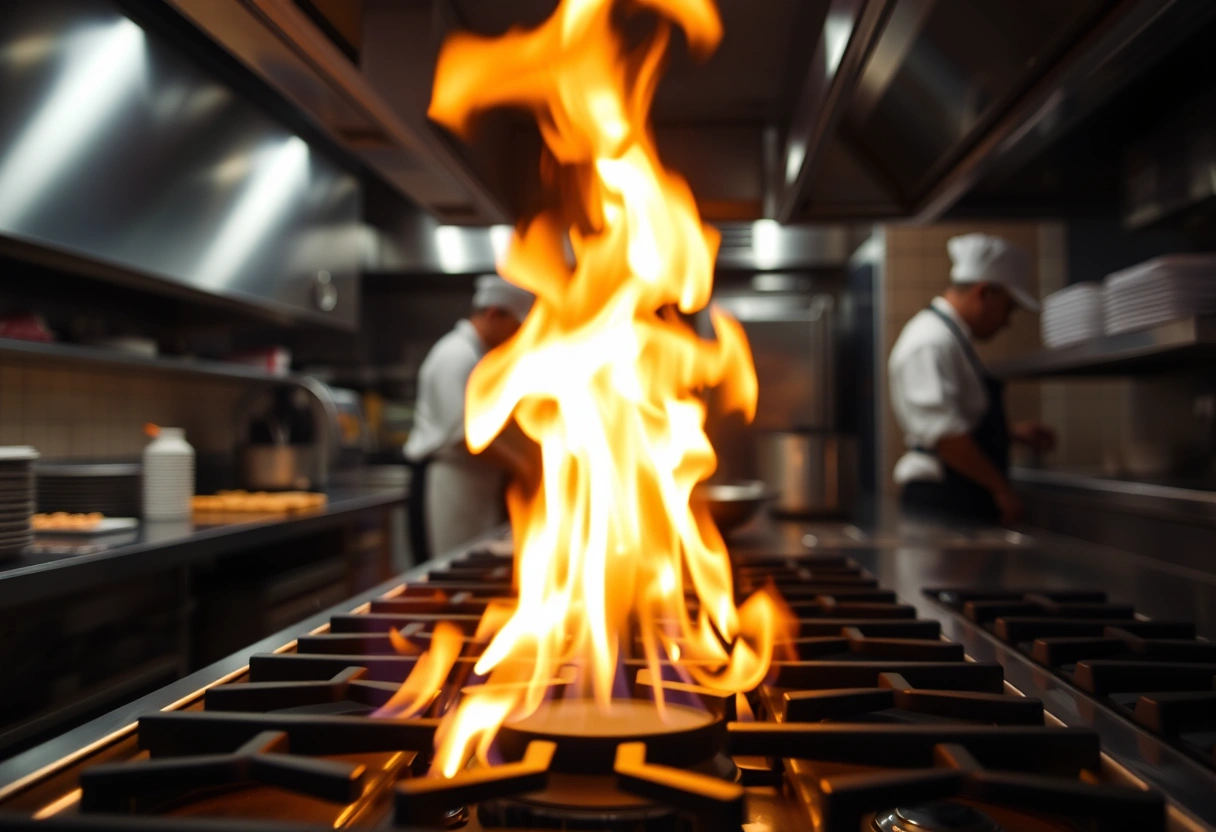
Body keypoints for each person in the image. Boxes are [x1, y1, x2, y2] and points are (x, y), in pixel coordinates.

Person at [889, 233, 1056, 525]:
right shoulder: (932, 341)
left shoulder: (950, 339)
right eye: (1008, 308)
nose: (1007, 322)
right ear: (984, 292)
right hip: (943, 499)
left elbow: (954, 419)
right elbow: (948, 438)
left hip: (955, 495)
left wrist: (1012, 433)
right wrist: (1002, 490)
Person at [405, 275, 537, 557]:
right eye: (515, 328)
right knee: (448, 574)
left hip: (472, 486)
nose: (516, 339)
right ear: (493, 315)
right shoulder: (456, 356)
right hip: (450, 485)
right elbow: (465, 436)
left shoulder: (476, 358)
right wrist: (523, 467)